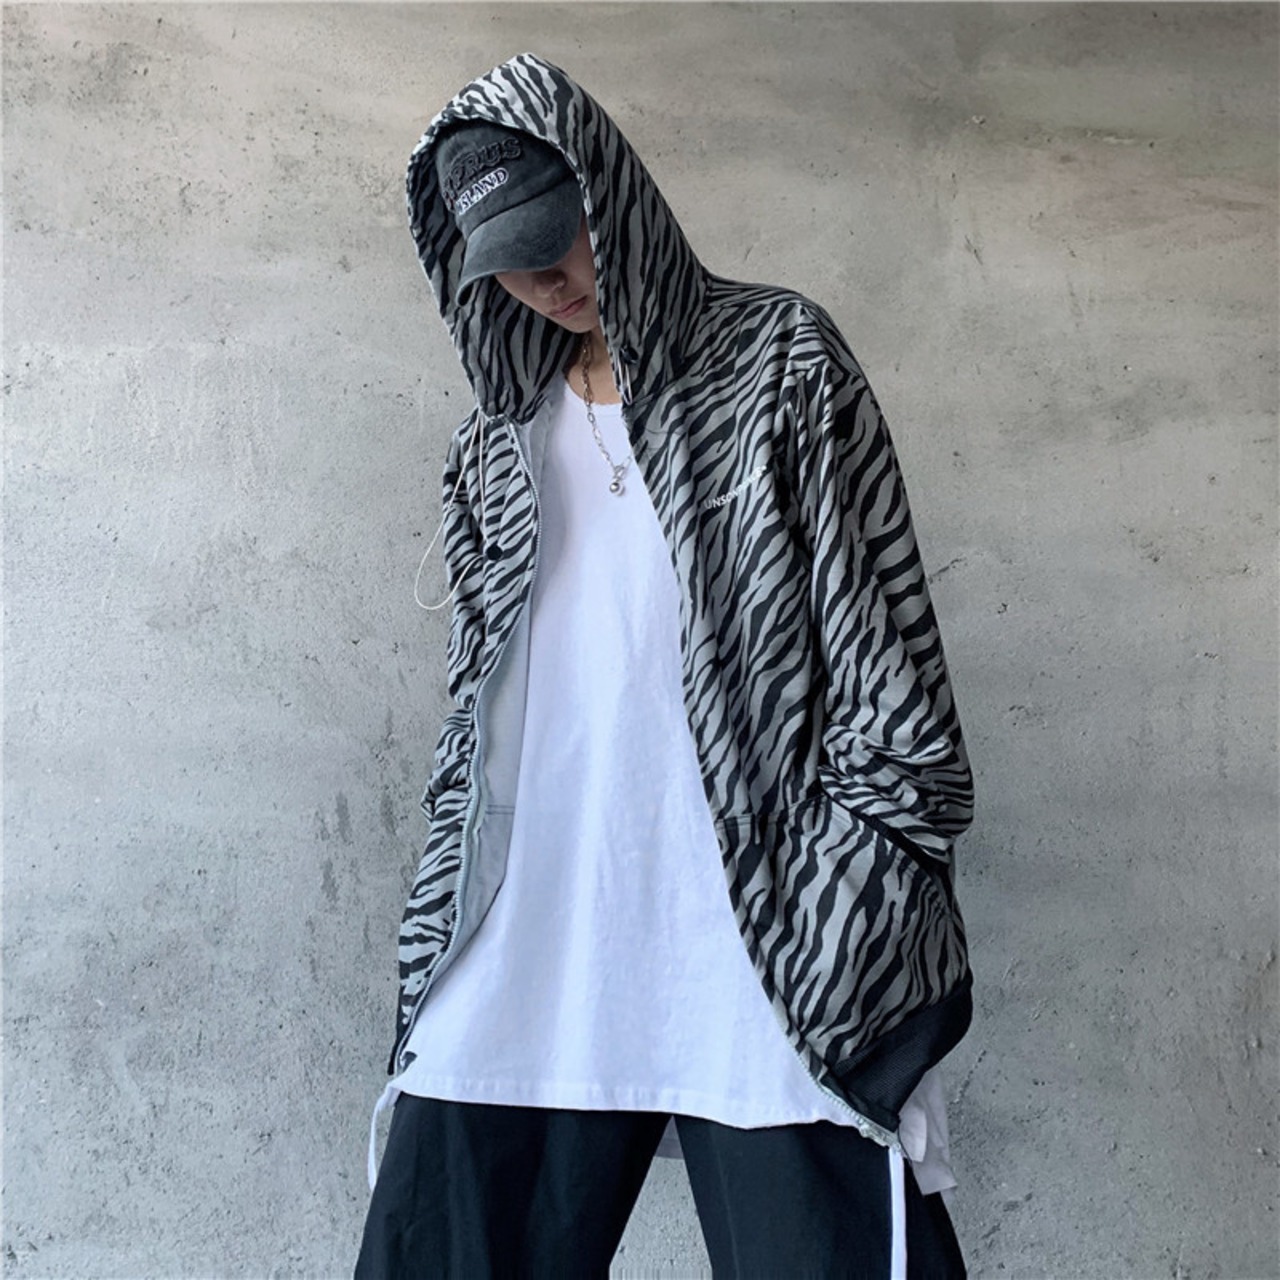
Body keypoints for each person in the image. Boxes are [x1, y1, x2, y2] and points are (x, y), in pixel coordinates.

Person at [357, 53, 974, 1279]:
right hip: (536, 921)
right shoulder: (496, 442)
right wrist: (442, 892)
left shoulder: (779, 363)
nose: (545, 279)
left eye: (560, 235)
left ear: (612, 192)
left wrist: (856, 898)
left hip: (762, 933)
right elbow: (475, 716)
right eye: (508, 262)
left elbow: (886, 663)